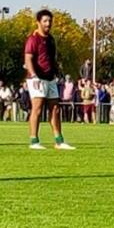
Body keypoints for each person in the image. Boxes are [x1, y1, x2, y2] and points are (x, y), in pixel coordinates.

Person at [24, 9, 73, 150]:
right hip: (37, 78)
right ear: (38, 22)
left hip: (50, 78)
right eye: (45, 21)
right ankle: (34, 141)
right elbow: (28, 59)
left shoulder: (51, 39)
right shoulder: (33, 39)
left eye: (50, 21)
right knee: (37, 108)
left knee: (55, 108)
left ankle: (59, 141)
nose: (48, 23)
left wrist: (57, 71)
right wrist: (34, 75)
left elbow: (51, 58)